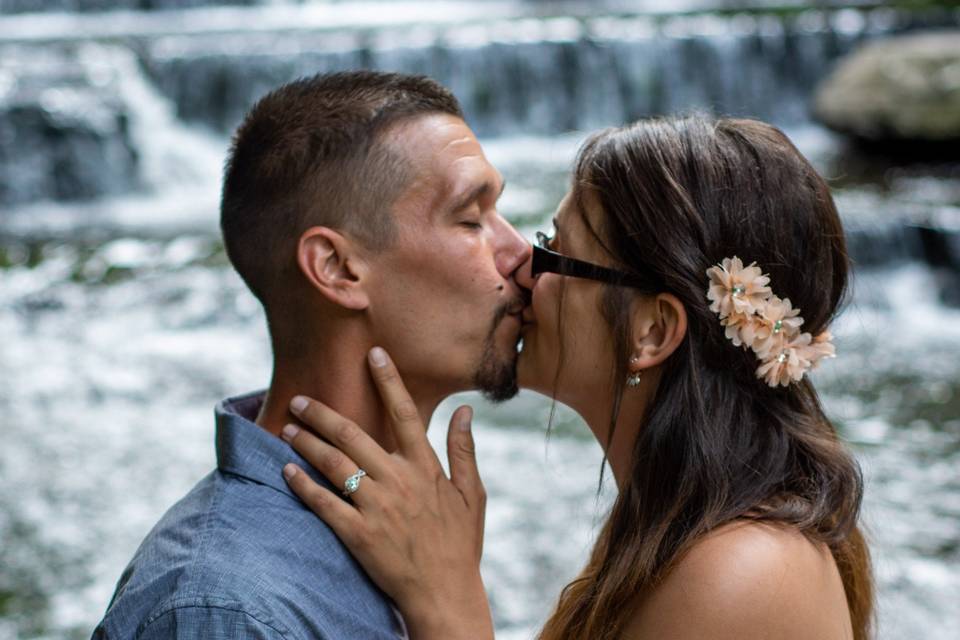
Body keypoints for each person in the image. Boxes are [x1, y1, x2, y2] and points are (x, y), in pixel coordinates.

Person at [280, 115, 875, 639]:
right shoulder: (677, 520)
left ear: (650, 332)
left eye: (555, 253)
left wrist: (448, 604)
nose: (521, 265)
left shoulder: (741, 574)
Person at [93, 71, 529, 639]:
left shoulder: (416, 536)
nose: (519, 252)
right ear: (337, 268)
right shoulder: (222, 611)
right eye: (472, 219)